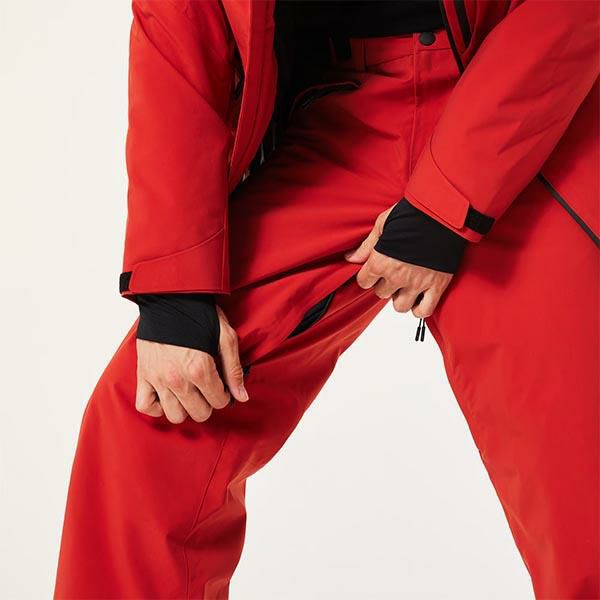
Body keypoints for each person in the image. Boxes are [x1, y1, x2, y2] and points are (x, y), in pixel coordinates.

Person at [54, 1, 599, 598]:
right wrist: (174, 289)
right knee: (161, 409)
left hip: (520, 109)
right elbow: (177, 26)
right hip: (337, 116)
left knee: (577, 461)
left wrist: (452, 198)